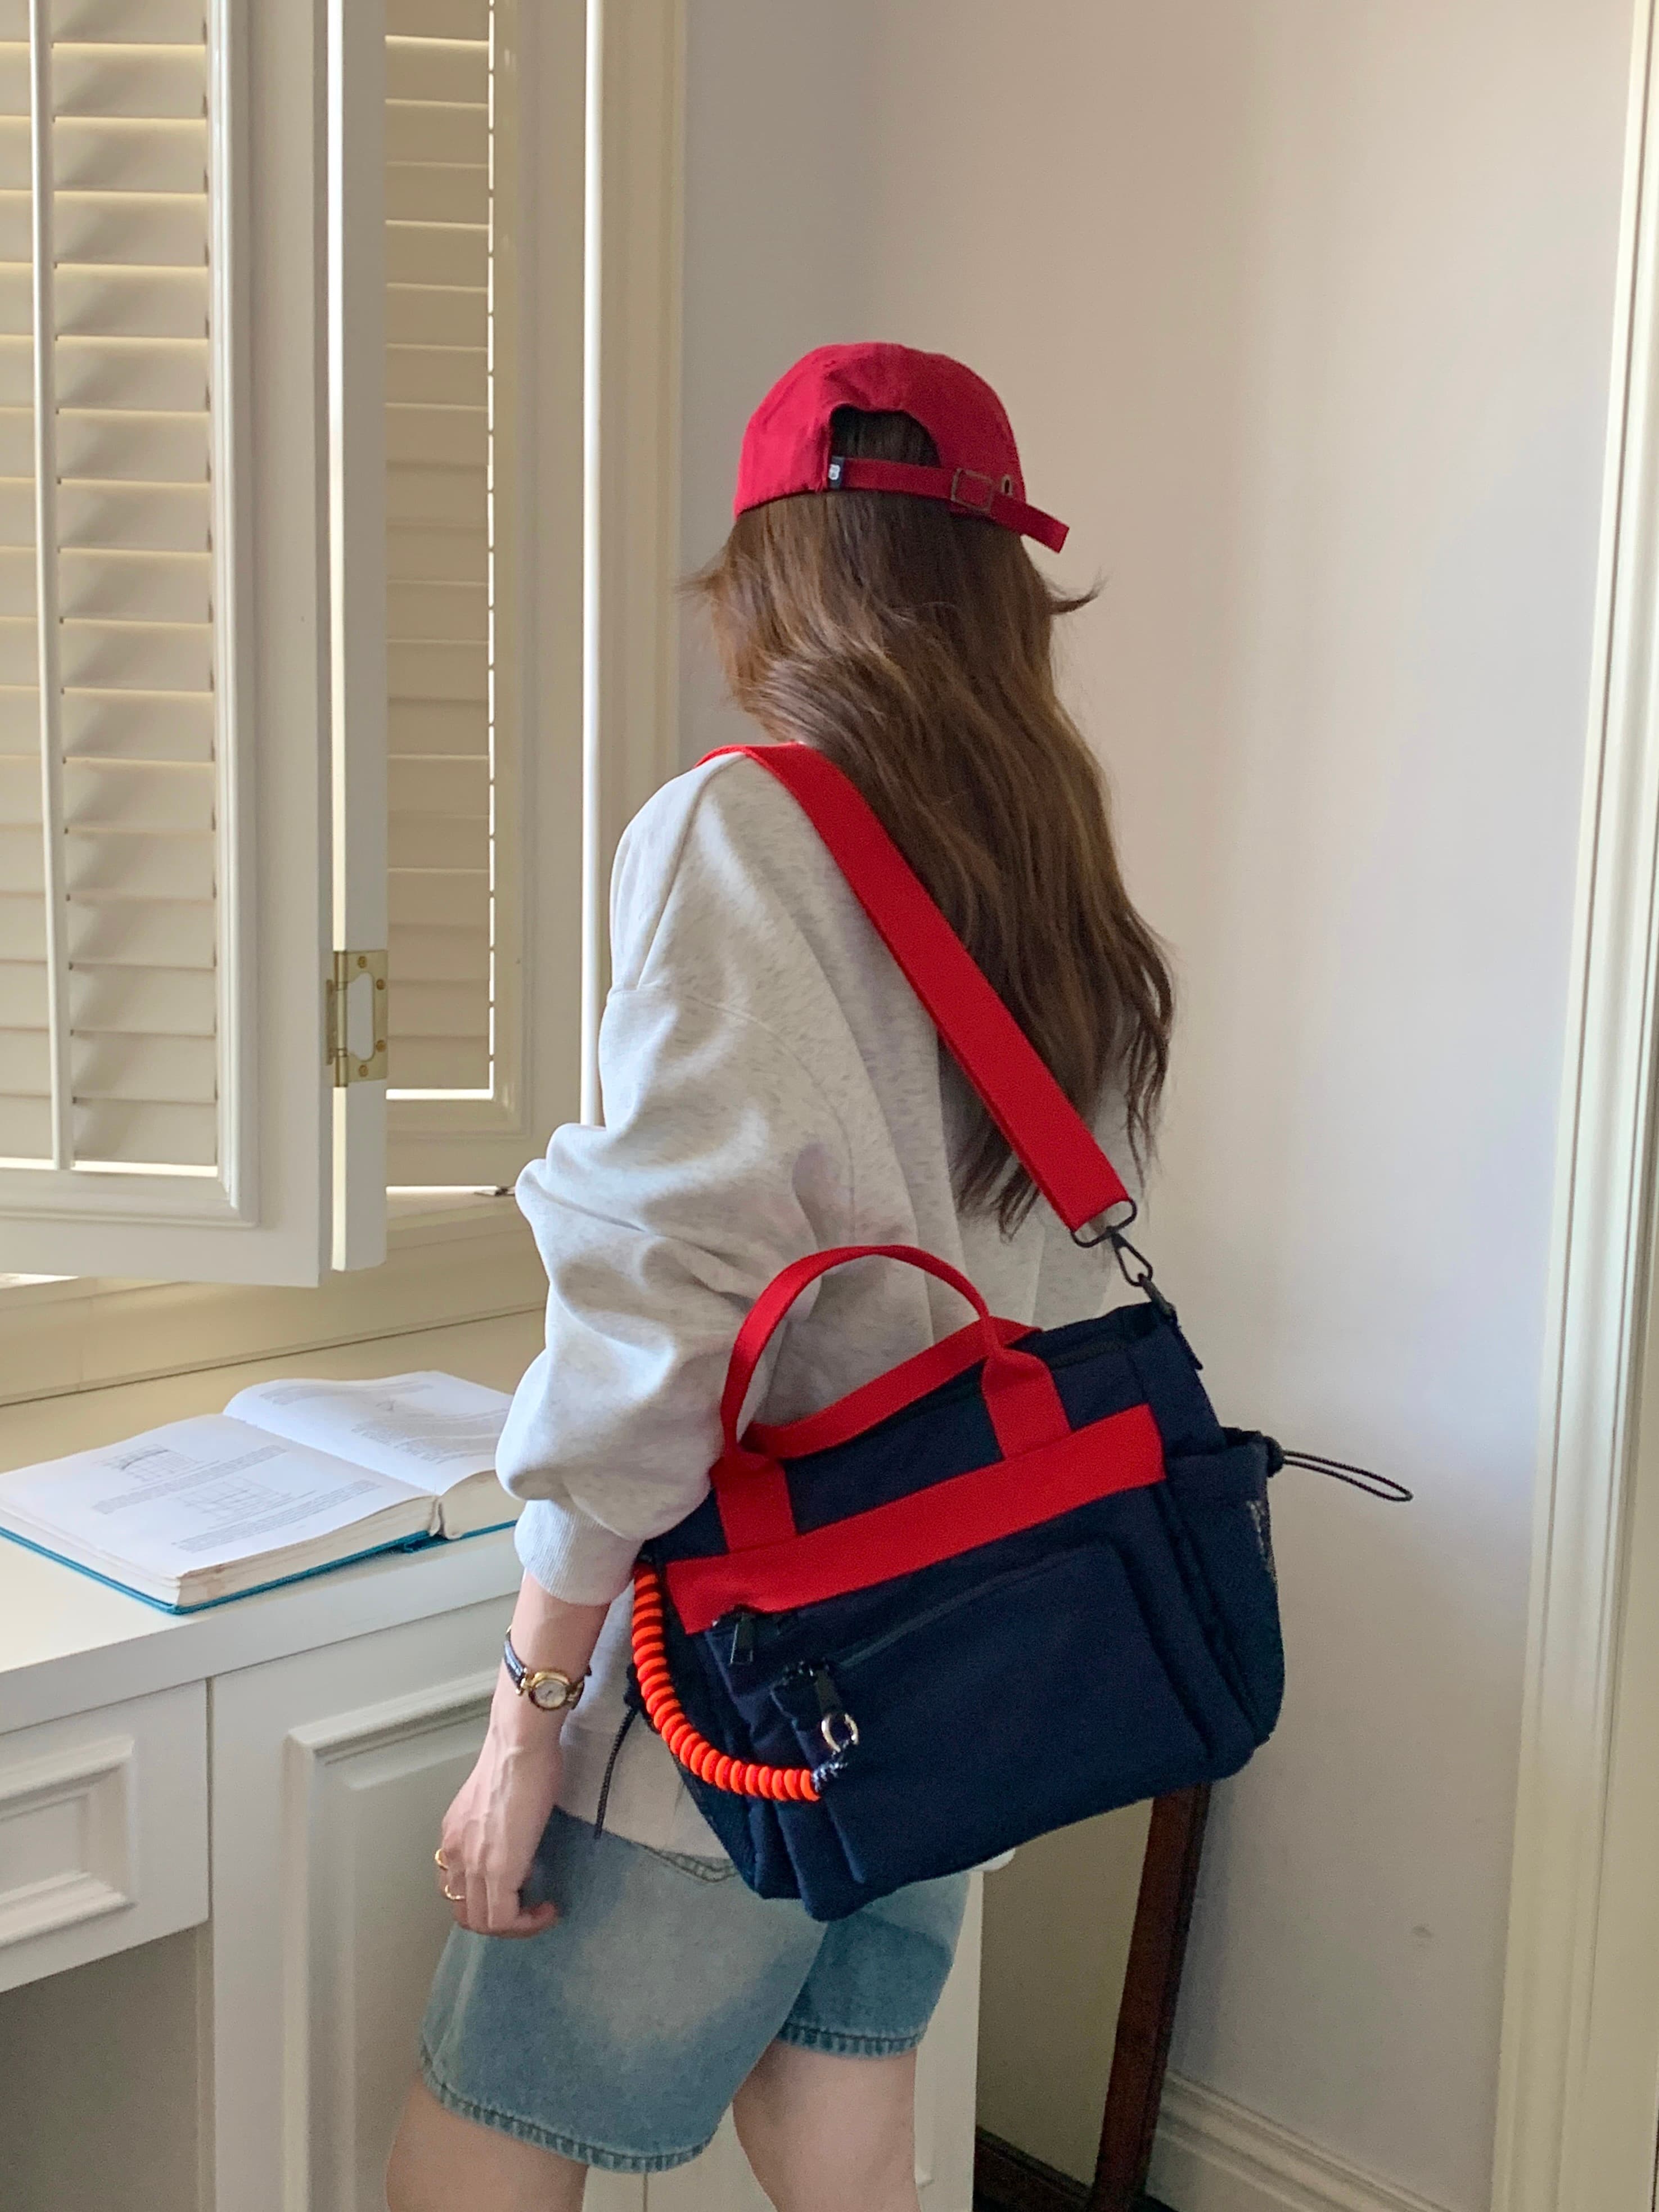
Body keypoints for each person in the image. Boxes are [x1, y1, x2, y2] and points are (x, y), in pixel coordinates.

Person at [386, 342, 1174, 2212]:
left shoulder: (739, 829)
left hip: (740, 1683)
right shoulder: (1057, 872)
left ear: (772, 579)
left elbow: (658, 1301)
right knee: (844, 2154)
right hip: (962, 1652)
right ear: (1002, 588)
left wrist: (524, 1725)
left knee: (472, 2165)